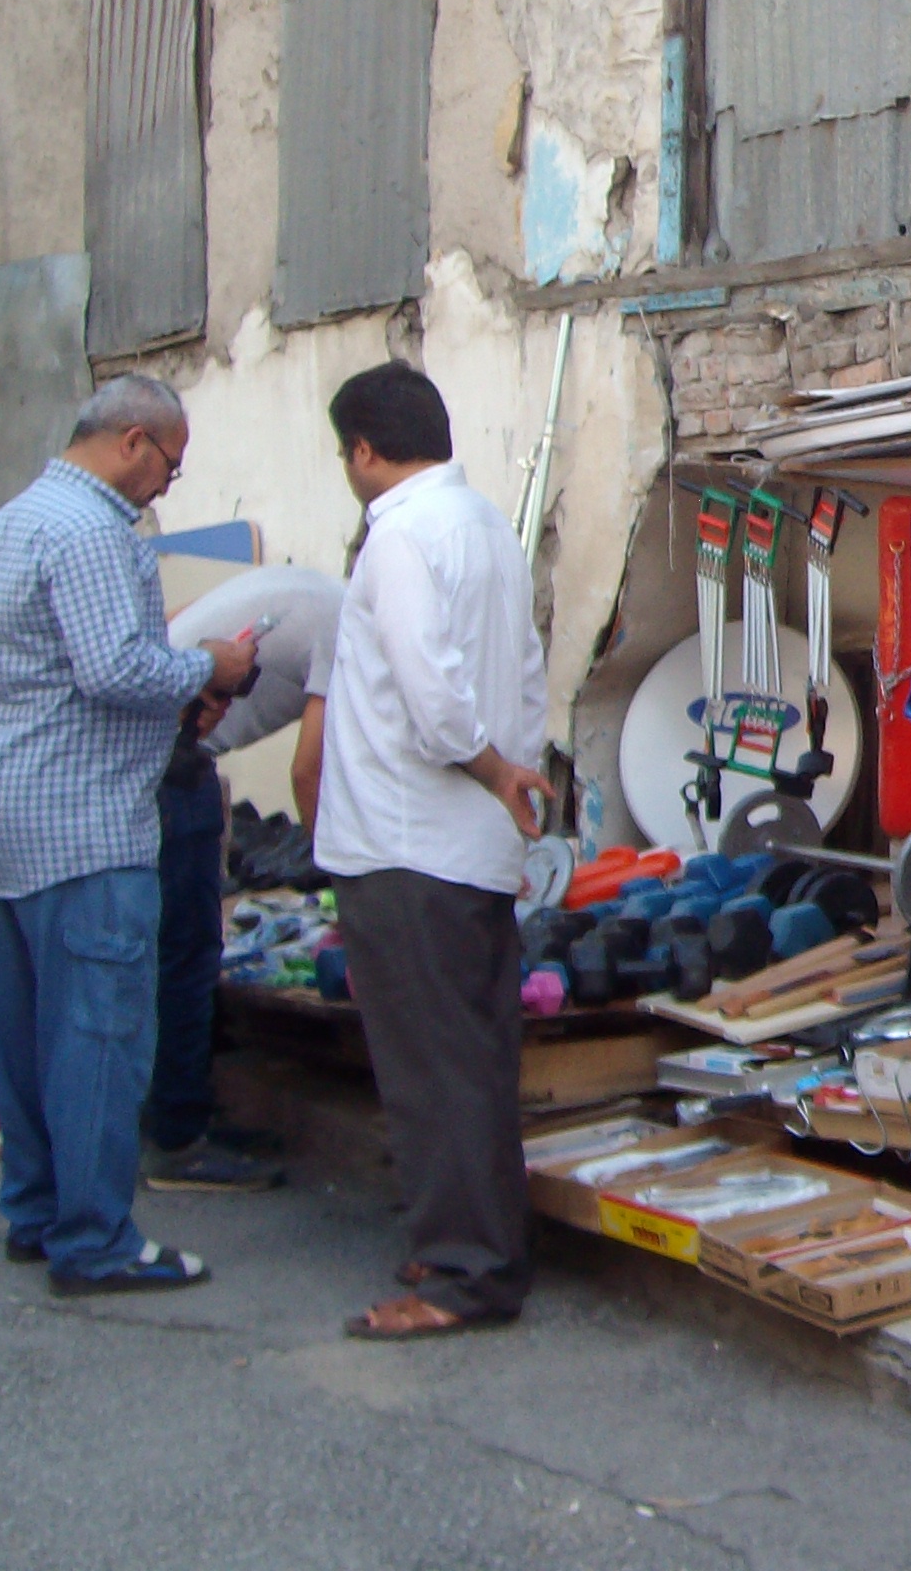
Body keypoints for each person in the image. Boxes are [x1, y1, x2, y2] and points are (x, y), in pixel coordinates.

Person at [0, 375, 256, 1293]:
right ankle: (94, 1242)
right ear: (133, 440)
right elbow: (113, 670)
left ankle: (36, 1212)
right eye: (170, 464)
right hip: (83, 825)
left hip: (6, 817)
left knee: (27, 1038)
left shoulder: (8, 522)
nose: (168, 483)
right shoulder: (93, 531)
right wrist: (210, 663)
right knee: (97, 1041)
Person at [317, 363, 550, 1340]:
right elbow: (525, 676)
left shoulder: (402, 534)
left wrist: (494, 772)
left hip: (407, 840)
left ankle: (464, 1274)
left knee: (434, 1069)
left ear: (365, 452)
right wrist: (512, 780)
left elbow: (432, 693)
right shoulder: (487, 526)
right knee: (469, 1059)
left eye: (345, 454)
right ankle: (468, 1245)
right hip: (462, 845)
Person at [144, 565, 346, 1190]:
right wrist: (341, 879)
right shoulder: (351, 630)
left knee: (162, 951)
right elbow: (309, 772)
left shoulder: (313, 592)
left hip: (147, 758)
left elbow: (181, 619)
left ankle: (178, 1115)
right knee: (187, 956)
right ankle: (181, 1141)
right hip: (170, 763)